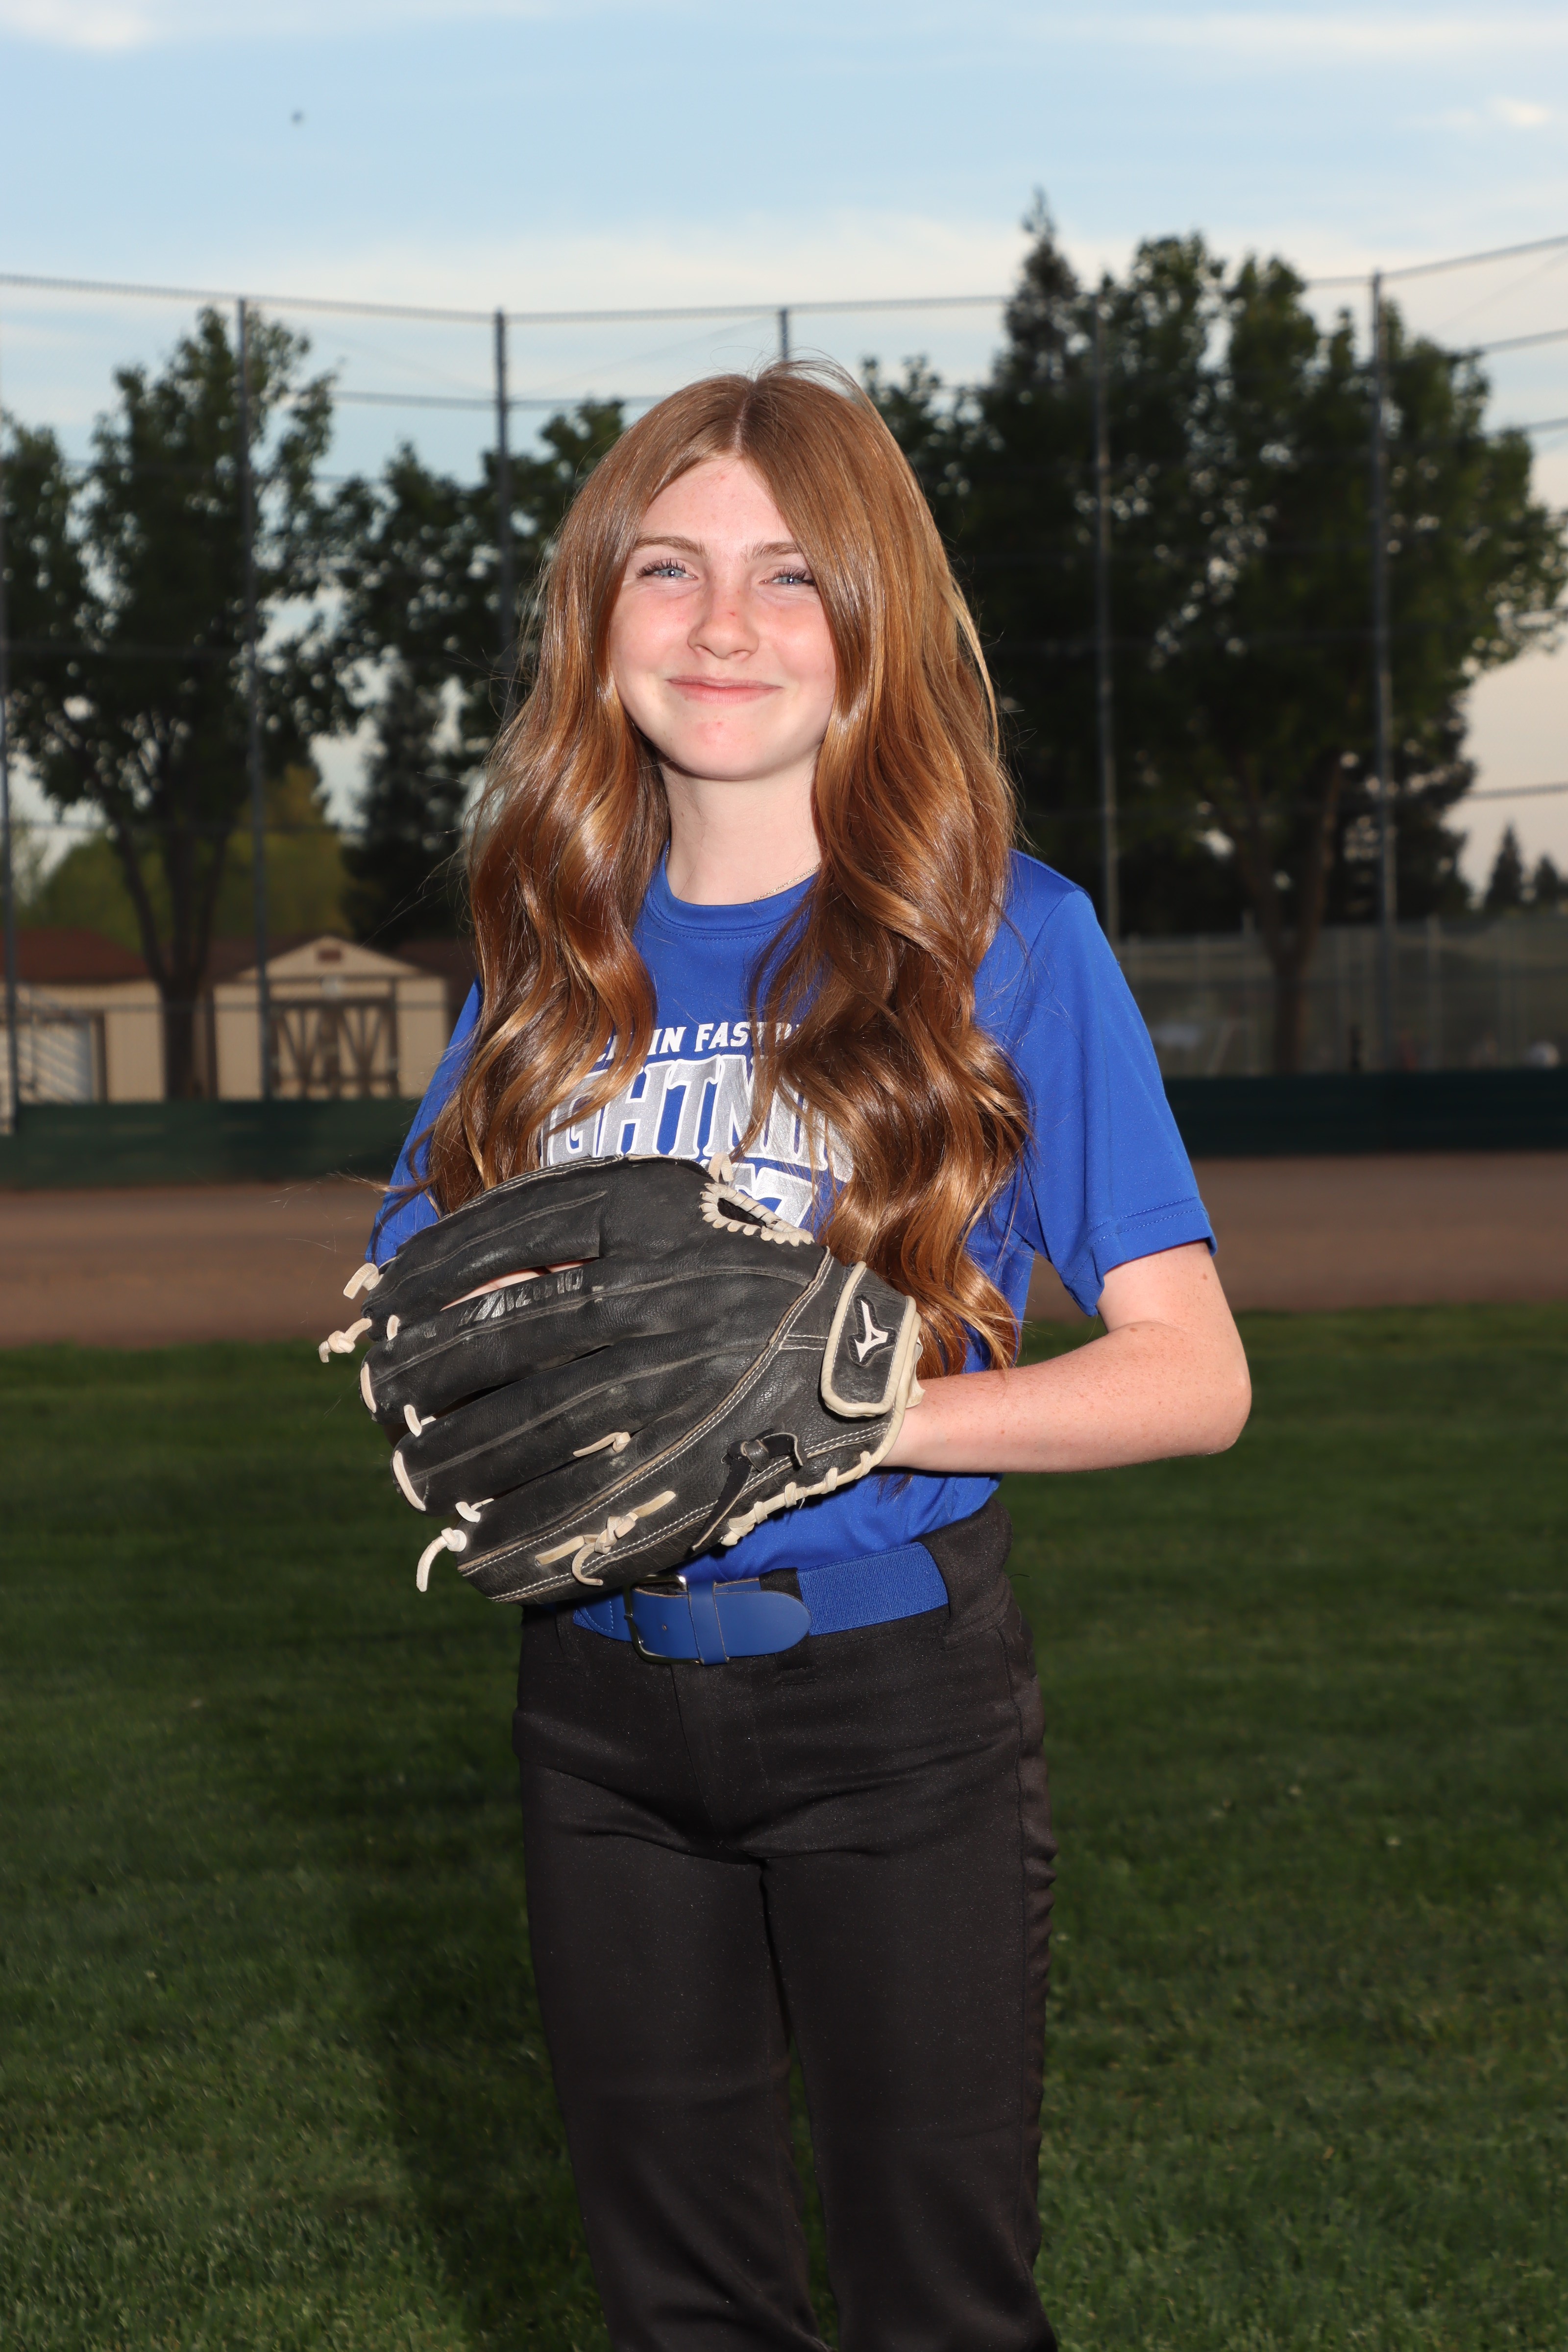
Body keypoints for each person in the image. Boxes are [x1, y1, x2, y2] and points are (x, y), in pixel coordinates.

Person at [369, 362, 1250, 2352]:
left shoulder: (1003, 937)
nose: (722, 625)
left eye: (787, 574)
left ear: (870, 620)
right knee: (678, 2312)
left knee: (938, 2307)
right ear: (598, 615)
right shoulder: (545, 956)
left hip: (894, 1710)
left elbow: (1194, 1375)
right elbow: (425, 1307)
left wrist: (861, 1412)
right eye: (666, 568)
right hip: (594, 1713)